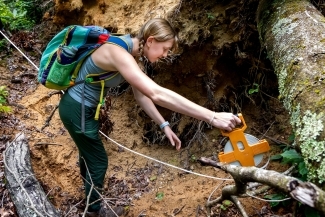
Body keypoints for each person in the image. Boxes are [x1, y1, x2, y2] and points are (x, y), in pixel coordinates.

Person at [58, 18, 241, 217]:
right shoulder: (118, 52)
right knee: (98, 161)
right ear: (151, 40)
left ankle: (88, 196)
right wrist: (212, 116)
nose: (166, 55)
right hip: (77, 110)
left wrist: (164, 125)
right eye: (165, 49)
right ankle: (92, 211)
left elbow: (142, 96)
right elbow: (157, 94)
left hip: (83, 110)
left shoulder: (132, 56)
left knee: (89, 154)